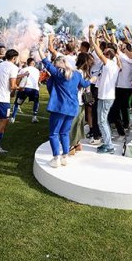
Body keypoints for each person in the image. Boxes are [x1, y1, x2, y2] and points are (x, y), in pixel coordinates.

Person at [38, 38, 91, 167]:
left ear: (59, 64)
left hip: (59, 108)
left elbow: (45, 61)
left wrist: (40, 48)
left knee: (54, 133)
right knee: (65, 133)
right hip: (73, 108)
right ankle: (64, 156)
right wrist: (93, 78)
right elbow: (85, 83)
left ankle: (56, 158)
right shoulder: (77, 74)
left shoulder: (58, 73)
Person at [0, 49, 27, 154]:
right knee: (4, 120)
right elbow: (12, 86)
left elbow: (8, 77)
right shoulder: (14, 67)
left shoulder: (1, 65)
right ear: (14, 58)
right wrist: (20, 88)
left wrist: (23, 75)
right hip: (2, 97)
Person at [88, 25, 121, 154]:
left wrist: (92, 36)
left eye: (105, 53)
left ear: (107, 55)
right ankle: (107, 143)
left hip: (106, 96)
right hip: (104, 96)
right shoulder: (114, 65)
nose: (103, 54)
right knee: (102, 120)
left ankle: (109, 145)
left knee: (102, 121)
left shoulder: (109, 64)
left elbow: (98, 52)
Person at [11, 57, 41, 123]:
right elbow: (38, 80)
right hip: (34, 89)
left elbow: (18, 79)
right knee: (36, 102)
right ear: (33, 63)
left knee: (17, 102)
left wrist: (17, 87)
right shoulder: (37, 70)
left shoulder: (23, 69)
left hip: (24, 88)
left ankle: (13, 117)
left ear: (27, 63)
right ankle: (34, 117)